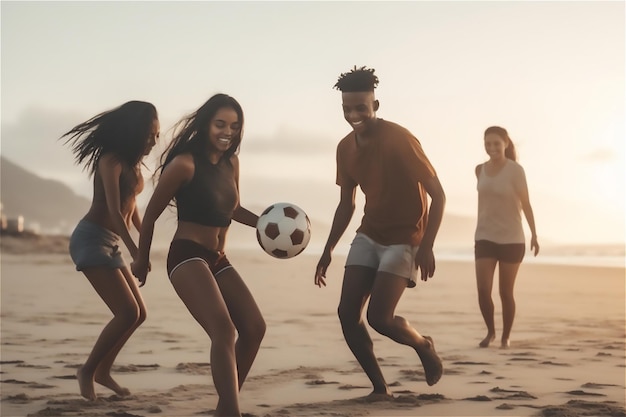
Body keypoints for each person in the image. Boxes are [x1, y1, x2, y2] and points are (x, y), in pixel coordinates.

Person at [314, 66, 446, 398]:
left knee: (380, 318)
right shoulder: (345, 149)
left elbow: (439, 194)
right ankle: (379, 387)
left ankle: (423, 344)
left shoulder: (400, 139)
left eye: (361, 107)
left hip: (404, 238)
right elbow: (347, 205)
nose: (354, 115)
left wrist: (427, 245)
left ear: (376, 104)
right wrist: (328, 249)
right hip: (369, 233)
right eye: (347, 109)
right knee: (347, 314)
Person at [131, 93, 265, 417]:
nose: (227, 131)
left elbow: (232, 208)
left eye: (234, 126)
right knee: (223, 330)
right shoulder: (184, 164)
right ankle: (231, 411)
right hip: (186, 256)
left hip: (217, 257)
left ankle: (224, 407)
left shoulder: (232, 163)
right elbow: (149, 216)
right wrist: (141, 258)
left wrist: (266, 225)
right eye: (220, 124)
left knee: (254, 328)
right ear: (206, 124)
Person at [62, 101, 160, 400]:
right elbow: (118, 214)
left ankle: (104, 371)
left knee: (139, 313)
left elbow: (133, 210)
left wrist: (145, 241)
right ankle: (88, 371)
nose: (154, 141)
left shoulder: (132, 164)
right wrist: (136, 254)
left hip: (112, 241)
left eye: (157, 135)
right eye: (150, 134)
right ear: (135, 132)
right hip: (91, 239)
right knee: (126, 311)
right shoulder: (111, 161)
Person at [474, 126, 539, 349]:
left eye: (496, 143)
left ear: (505, 144)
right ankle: (491, 332)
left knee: (505, 292)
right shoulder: (479, 170)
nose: (491, 148)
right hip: (484, 236)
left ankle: (505, 337)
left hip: (512, 238)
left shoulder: (516, 171)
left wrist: (534, 234)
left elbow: (527, 204)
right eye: (487, 143)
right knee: (483, 290)